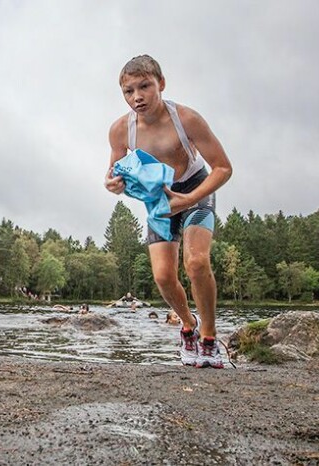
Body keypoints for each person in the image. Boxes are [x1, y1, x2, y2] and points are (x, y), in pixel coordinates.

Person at [105, 55, 233, 369]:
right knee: (163, 276)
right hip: (159, 199)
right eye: (129, 91)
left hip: (195, 188)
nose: (137, 97)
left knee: (197, 262)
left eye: (145, 86)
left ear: (161, 84)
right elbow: (113, 173)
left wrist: (187, 200)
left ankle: (209, 337)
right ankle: (188, 327)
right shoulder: (121, 130)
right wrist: (114, 184)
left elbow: (223, 168)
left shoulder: (187, 119)